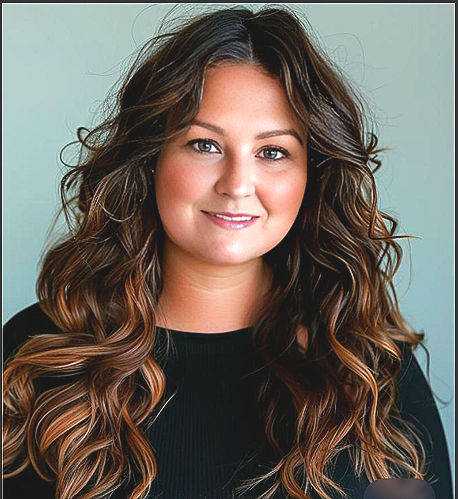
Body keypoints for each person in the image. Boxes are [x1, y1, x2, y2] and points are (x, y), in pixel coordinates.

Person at [2, 5, 453, 499]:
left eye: (273, 152)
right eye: (204, 145)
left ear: (312, 174)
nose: (238, 184)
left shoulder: (371, 369)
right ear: (151, 156)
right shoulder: (36, 357)